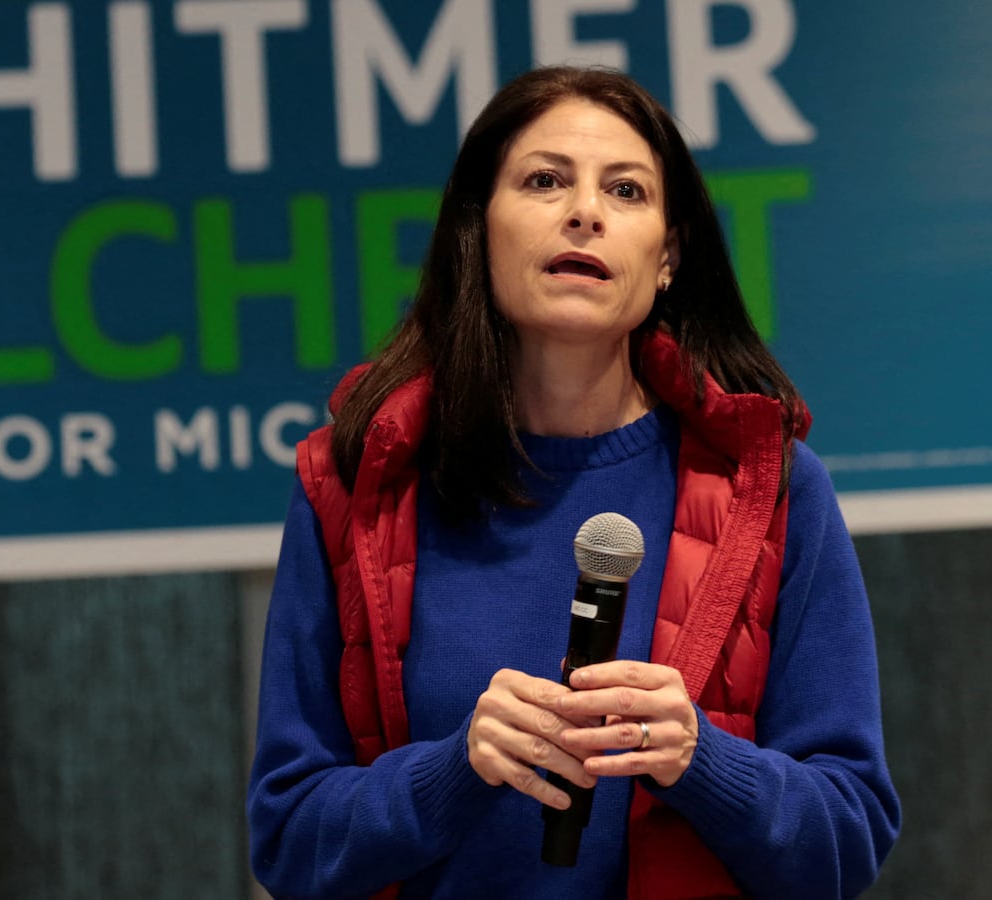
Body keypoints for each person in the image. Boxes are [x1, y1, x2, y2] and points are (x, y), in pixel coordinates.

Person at [246, 66, 900, 899]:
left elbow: (846, 841)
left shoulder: (771, 492)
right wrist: (454, 770)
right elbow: (289, 842)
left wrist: (700, 757)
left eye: (625, 190)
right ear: (479, 233)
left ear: (666, 257)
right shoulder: (354, 484)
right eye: (545, 180)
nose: (585, 211)